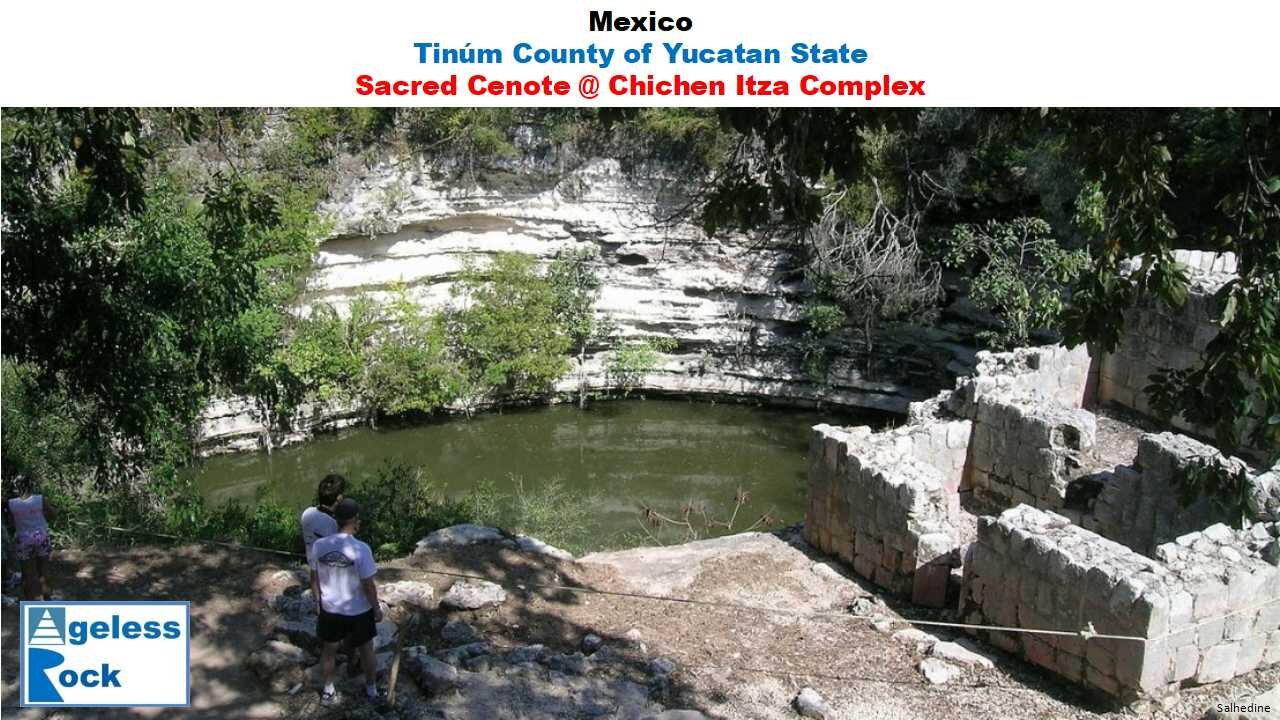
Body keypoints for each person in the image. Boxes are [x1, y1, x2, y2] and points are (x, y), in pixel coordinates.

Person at [310, 499, 382, 706]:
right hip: (359, 610)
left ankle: (328, 689)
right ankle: (371, 689)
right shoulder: (361, 549)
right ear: (354, 520)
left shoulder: (319, 545)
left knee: (329, 649)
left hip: (330, 609)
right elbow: (369, 585)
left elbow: (313, 578)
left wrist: (317, 602)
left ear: (336, 520)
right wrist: (376, 608)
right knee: (367, 648)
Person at [3, 473, 56, 601]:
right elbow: (53, 514)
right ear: (31, 485)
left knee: (27, 573)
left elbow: (10, 521)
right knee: (44, 570)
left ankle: (29, 601)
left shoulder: (11, 503)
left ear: (17, 486)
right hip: (41, 537)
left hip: (23, 539)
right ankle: (48, 599)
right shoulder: (39, 499)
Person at [300, 474, 345, 565]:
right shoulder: (334, 524)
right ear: (339, 498)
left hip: (312, 563)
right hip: (330, 569)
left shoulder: (307, 513)